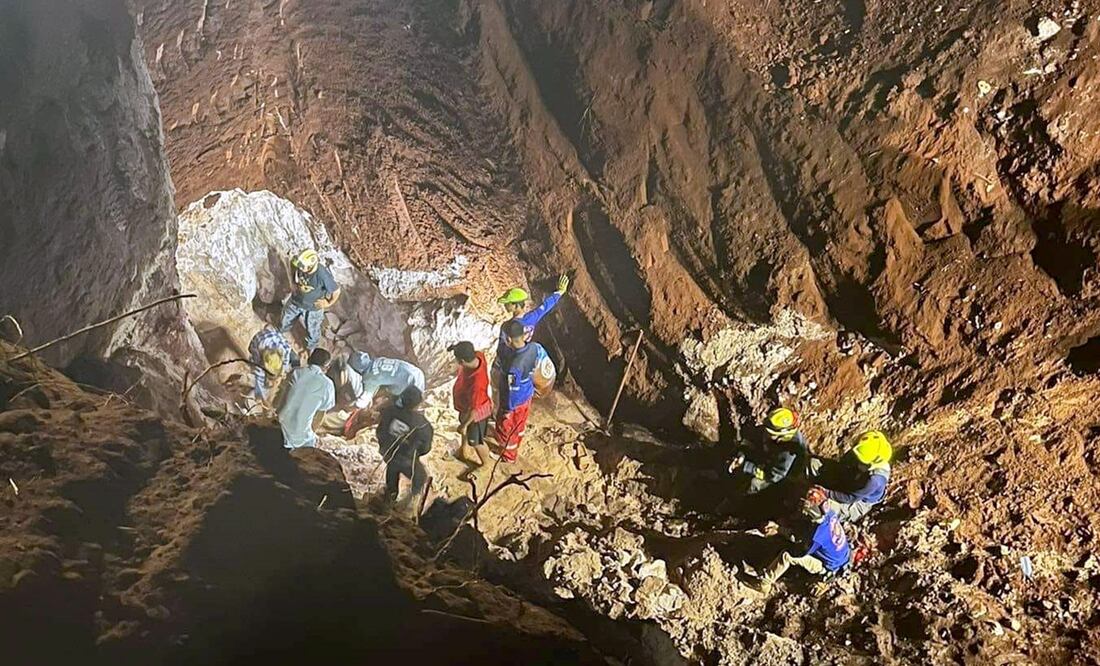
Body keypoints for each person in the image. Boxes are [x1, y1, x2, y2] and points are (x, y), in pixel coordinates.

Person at [753, 492, 852, 594]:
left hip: (828, 567)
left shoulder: (816, 537)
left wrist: (779, 530)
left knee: (787, 556)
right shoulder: (830, 513)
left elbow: (798, 551)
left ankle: (764, 584)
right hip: (842, 555)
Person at [492, 274, 569, 402]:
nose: (505, 305)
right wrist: (560, 292)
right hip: (526, 354)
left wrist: (501, 365)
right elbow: (544, 307)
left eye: (508, 304)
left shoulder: (507, 327)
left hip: (514, 360)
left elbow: (501, 350)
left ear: (516, 306)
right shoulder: (531, 319)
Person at [809, 430, 892, 523]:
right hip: (849, 479)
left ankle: (817, 520)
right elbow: (842, 465)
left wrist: (826, 493)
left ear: (870, 465)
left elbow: (850, 498)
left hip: (858, 501)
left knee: (820, 504)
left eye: (860, 462)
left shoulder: (874, 480)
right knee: (813, 464)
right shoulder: (860, 451)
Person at [728, 407, 809, 494]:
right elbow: (754, 436)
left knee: (754, 484)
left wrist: (747, 467)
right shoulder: (773, 433)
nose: (766, 434)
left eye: (769, 433)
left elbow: (774, 476)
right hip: (769, 459)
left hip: (780, 478)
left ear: (781, 434)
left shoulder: (788, 452)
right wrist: (742, 451)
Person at [377, 386, 434, 506]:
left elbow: (379, 431)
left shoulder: (389, 411)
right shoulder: (422, 424)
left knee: (392, 470)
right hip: (407, 459)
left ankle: (390, 496)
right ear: (418, 404)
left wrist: (385, 445)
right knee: (420, 477)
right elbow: (425, 448)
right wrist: (412, 451)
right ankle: (410, 504)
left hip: (388, 453)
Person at [280, 249, 341, 352]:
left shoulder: (322, 275)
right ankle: (282, 331)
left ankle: (311, 347)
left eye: (302, 267)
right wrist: (292, 283)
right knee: (286, 316)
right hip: (297, 299)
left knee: (313, 328)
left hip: (314, 307)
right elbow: (293, 265)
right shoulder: (301, 265)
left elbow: (336, 291)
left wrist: (327, 303)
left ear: (310, 266)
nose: (300, 267)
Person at [496, 320, 540, 463]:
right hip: (527, 394)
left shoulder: (514, 367)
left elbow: (512, 391)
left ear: (508, 339)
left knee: (505, 429)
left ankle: (509, 455)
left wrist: (508, 410)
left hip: (515, 402)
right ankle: (518, 440)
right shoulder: (534, 347)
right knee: (519, 424)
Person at [276, 348, 335, 449]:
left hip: (278, 427)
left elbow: (281, 398)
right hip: (299, 439)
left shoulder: (295, 373)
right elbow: (323, 412)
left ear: (309, 359)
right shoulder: (328, 384)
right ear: (327, 367)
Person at [449, 341, 493, 467]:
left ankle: (486, 464)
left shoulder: (477, 384)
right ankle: (464, 451)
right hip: (466, 407)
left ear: (462, 361)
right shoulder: (478, 356)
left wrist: (464, 425)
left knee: (476, 441)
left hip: (476, 415)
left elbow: (474, 411)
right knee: (466, 432)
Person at [248, 326, 299, 404]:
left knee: (295, 360)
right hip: (259, 339)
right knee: (255, 371)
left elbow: (284, 364)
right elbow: (259, 378)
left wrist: (279, 377)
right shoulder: (259, 360)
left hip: (275, 337)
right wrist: (263, 398)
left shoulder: (284, 351)